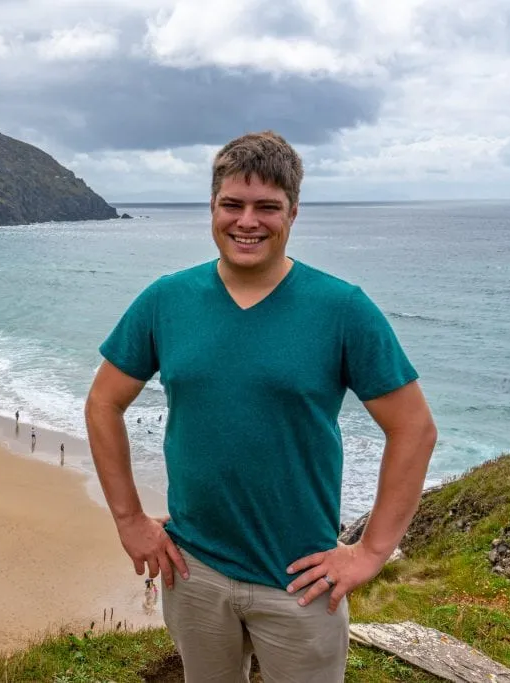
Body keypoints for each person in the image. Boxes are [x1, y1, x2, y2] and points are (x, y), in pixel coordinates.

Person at [84, 131, 437, 682]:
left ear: (292, 211)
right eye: (233, 204)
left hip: (299, 582)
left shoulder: (342, 309)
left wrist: (370, 552)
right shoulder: (166, 300)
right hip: (194, 570)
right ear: (213, 207)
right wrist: (129, 519)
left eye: (267, 207)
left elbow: (414, 429)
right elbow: (104, 403)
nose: (247, 221)